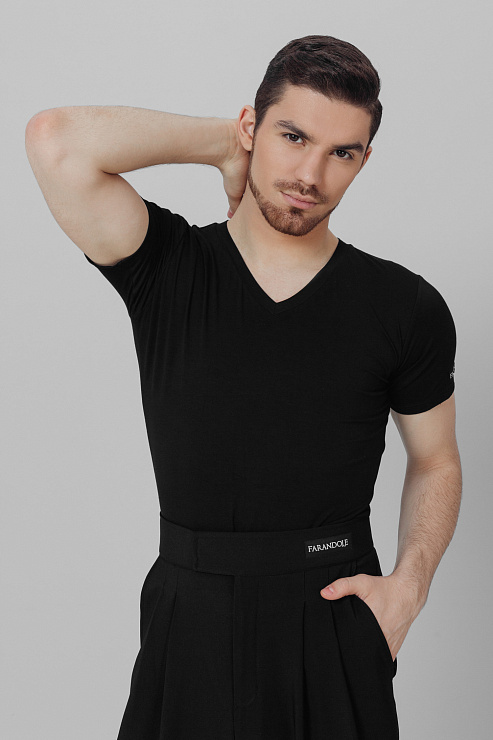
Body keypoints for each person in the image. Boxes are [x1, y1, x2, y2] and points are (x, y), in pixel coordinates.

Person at [25, 34, 462, 740]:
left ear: (363, 161)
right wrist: (223, 145)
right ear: (253, 127)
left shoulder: (404, 307)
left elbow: (436, 458)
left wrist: (408, 589)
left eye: (341, 152)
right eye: (293, 136)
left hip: (334, 614)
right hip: (187, 617)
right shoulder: (167, 267)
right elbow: (55, 141)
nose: (310, 174)